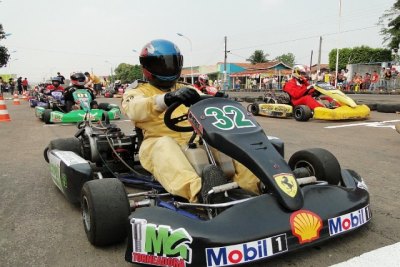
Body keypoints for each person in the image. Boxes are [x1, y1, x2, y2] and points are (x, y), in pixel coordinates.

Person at [121, 39, 260, 203]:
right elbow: (135, 109)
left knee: (228, 139)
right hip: (157, 143)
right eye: (161, 65)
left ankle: (252, 189)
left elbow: (206, 106)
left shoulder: (186, 89)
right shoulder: (137, 92)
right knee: (164, 144)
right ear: (147, 67)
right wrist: (165, 99)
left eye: (172, 63)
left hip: (197, 139)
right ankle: (204, 195)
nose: (167, 68)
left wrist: (218, 101)